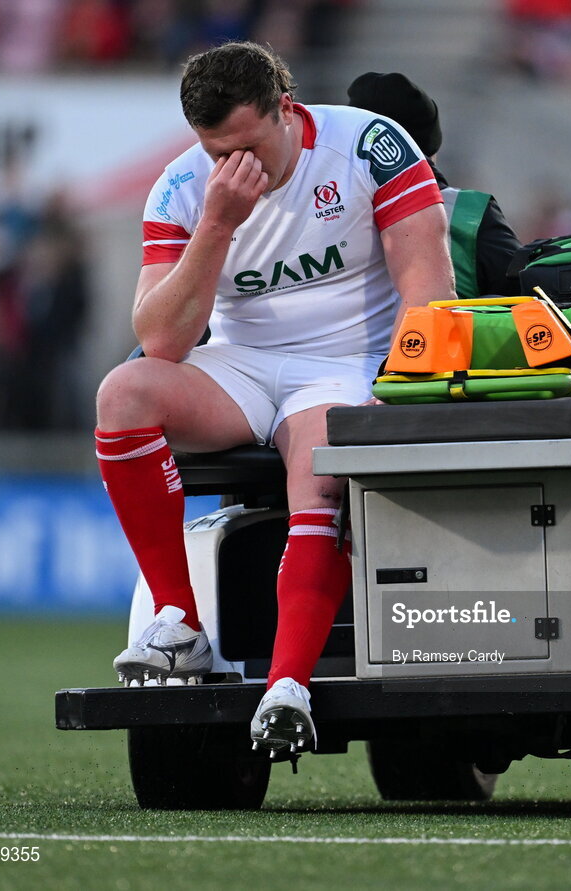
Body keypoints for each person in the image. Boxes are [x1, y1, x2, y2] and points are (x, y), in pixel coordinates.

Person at [95, 42, 454, 759]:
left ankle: (287, 686)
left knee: (315, 469)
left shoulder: (370, 146)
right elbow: (163, 339)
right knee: (123, 392)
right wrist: (219, 223)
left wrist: (399, 388)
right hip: (243, 362)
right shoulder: (182, 186)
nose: (234, 167)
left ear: (287, 111)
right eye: (216, 150)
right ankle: (180, 620)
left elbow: (429, 289)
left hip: (347, 360)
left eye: (248, 146)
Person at [347, 71, 521, 298]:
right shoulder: (468, 212)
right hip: (442, 333)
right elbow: (525, 299)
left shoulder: (311, 214)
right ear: (432, 145)